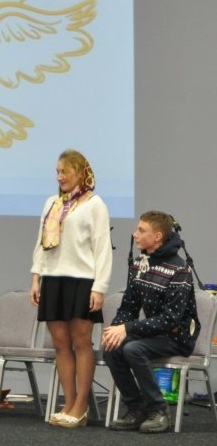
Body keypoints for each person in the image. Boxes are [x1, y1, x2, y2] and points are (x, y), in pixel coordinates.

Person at [30, 149, 112, 428]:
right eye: (57, 171)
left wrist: (99, 287)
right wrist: (36, 277)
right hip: (53, 278)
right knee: (60, 344)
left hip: (82, 280)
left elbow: (102, 248)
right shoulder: (52, 203)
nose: (60, 176)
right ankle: (68, 403)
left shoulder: (95, 204)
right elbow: (41, 243)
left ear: (80, 172)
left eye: (65, 171)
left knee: (81, 342)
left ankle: (81, 406)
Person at [103, 211, 199, 433]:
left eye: (141, 230)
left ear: (157, 237)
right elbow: (129, 306)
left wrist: (127, 328)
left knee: (133, 349)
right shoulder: (140, 263)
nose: (134, 234)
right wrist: (116, 329)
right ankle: (136, 409)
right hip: (153, 334)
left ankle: (159, 410)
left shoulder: (179, 270)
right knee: (112, 348)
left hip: (177, 335)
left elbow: (170, 319)